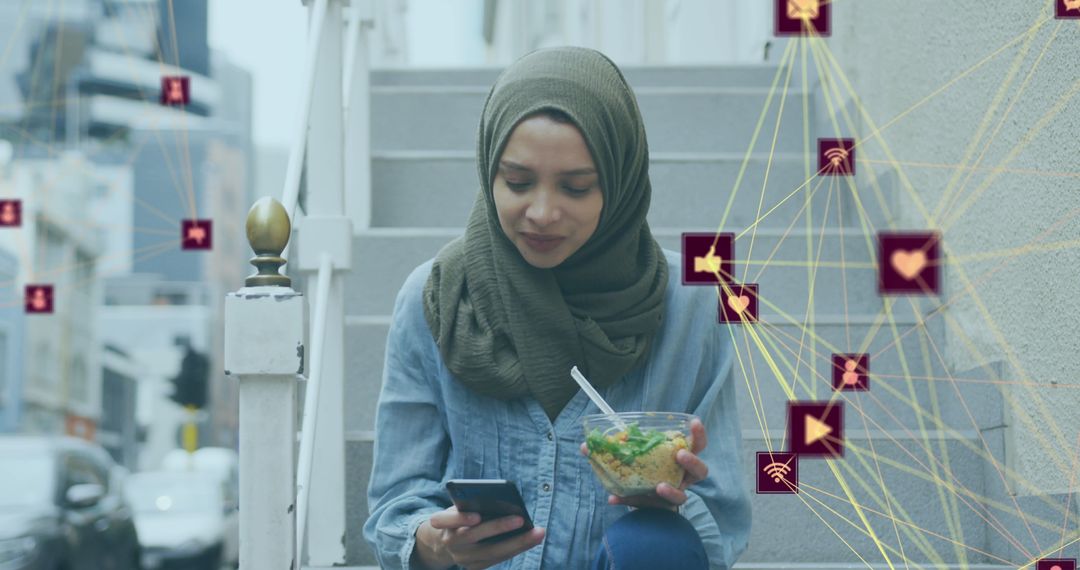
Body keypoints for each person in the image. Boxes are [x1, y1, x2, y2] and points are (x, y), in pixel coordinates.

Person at [363, 46, 751, 570]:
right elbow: (394, 509)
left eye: (577, 187)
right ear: (488, 173)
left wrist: (673, 506)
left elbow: (722, 524)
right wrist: (436, 542)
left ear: (619, 182)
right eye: (517, 183)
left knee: (655, 546)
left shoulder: (690, 305)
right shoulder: (437, 299)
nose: (542, 213)